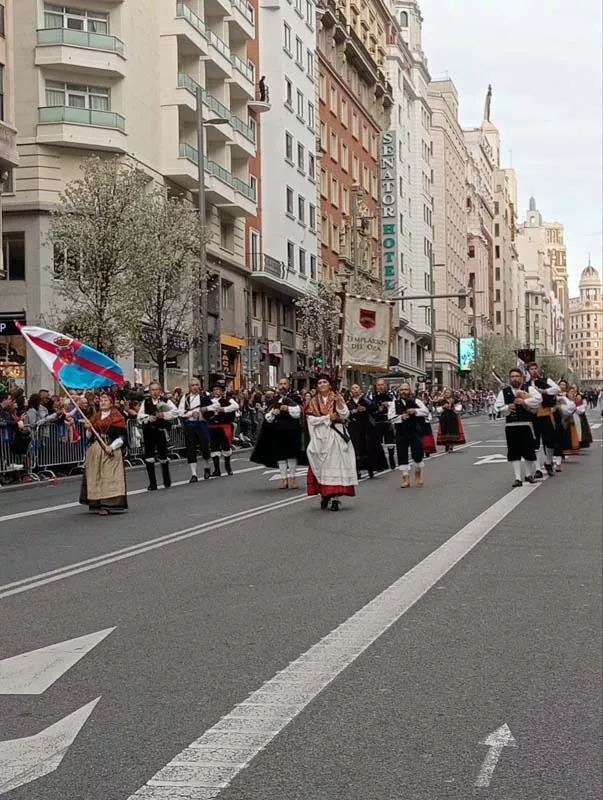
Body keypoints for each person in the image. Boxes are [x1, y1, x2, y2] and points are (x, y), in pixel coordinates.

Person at [306, 375, 358, 511]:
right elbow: (310, 420)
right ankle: (325, 494)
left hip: (336, 435)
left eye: (325, 382)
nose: (322, 384)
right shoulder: (313, 401)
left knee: (337, 465)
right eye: (320, 382)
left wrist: (340, 403)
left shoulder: (337, 398)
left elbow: (345, 414)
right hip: (320, 435)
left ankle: (335, 498)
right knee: (321, 465)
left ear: (329, 385)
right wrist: (327, 417)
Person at [79, 391, 127, 515]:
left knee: (109, 475)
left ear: (111, 403)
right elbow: (89, 436)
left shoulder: (117, 417)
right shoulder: (95, 417)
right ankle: (96, 502)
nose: (103, 402)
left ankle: (108, 504)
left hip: (110, 449)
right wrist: (89, 428)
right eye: (101, 400)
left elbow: (122, 436)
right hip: (95, 449)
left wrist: (112, 447)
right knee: (96, 475)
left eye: (105, 400)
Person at [250, 378, 302, 488]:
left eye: (285, 384)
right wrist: (273, 412)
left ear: (288, 385)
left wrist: (287, 408)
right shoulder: (273, 399)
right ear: (278, 386)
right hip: (277, 430)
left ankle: (292, 478)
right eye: (281, 384)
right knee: (281, 455)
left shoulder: (295, 397)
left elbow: (299, 412)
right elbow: (267, 417)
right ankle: (283, 479)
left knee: (291, 454)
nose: (283, 386)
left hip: (291, 429)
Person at [494, 368, 542, 487]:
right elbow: (497, 407)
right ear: (510, 378)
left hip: (526, 425)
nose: (515, 378)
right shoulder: (504, 392)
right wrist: (507, 407)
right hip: (511, 425)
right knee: (514, 451)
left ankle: (528, 474)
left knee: (528, 450)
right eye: (512, 376)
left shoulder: (528, 389)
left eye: (517, 376)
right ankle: (517, 478)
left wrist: (525, 401)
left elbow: (539, 399)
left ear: (521, 377)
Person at [137, 381, 178, 491]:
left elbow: (175, 412)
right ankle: (152, 483)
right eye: (153, 390)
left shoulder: (166, 401)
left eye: (157, 389)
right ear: (150, 391)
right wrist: (148, 417)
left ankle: (166, 480)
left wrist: (163, 415)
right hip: (149, 432)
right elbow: (139, 416)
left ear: (160, 390)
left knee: (163, 456)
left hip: (161, 431)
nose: (155, 392)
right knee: (149, 457)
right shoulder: (145, 402)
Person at [523, 362, 560, 478]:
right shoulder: (526, 385)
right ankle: (538, 469)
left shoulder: (545, 380)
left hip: (545, 412)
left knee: (549, 441)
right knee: (535, 442)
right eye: (531, 369)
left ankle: (548, 462)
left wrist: (544, 391)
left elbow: (557, 389)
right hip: (532, 415)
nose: (533, 371)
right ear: (528, 371)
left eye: (535, 368)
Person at [393, 382, 428, 488]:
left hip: (414, 431)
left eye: (406, 389)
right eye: (402, 390)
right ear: (399, 391)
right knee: (402, 454)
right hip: (401, 432)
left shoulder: (416, 401)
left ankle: (418, 474)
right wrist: (400, 418)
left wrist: (415, 411)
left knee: (418, 453)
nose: (404, 392)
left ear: (410, 390)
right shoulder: (394, 403)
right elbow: (391, 417)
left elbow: (426, 411)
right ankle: (405, 477)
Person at [178, 378, 213, 482]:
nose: (195, 387)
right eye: (192, 385)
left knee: (205, 448)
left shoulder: (204, 397)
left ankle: (207, 466)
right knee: (191, 449)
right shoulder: (185, 398)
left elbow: (214, 407)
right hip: (190, 425)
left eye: (197, 385)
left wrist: (205, 410)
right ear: (189, 387)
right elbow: (179, 412)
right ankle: (194, 474)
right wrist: (190, 414)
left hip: (202, 424)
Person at [347, 384, 383, 479]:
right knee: (356, 449)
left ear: (360, 390)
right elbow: (345, 413)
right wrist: (352, 412)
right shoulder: (348, 402)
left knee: (368, 448)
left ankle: (370, 469)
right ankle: (357, 470)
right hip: (354, 428)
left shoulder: (365, 399)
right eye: (353, 388)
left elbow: (375, 407)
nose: (355, 390)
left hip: (366, 427)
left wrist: (365, 408)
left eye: (356, 388)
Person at [206, 385, 239, 477]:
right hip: (212, 426)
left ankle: (228, 467)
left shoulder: (227, 400)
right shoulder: (209, 401)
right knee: (214, 448)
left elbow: (236, 406)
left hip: (224, 426)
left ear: (222, 391)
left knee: (226, 447)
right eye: (214, 389)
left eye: (218, 390)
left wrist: (223, 409)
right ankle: (217, 470)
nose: (216, 391)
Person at [365, 379, 396, 469]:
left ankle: (391, 458)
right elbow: (368, 406)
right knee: (377, 443)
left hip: (388, 421)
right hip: (376, 422)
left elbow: (396, 405)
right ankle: (380, 463)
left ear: (385, 385)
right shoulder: (371, 395)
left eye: (382, 384)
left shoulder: (391, 394)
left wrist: (388, 404)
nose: (380, 386)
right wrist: (376, 408)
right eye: (378, 385)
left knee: (390, 441)